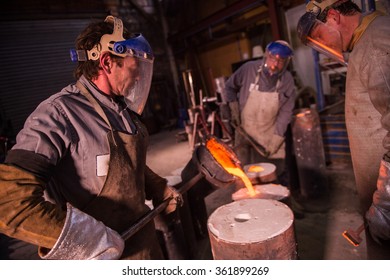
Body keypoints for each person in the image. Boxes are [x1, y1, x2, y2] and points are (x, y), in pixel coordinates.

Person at [0, 15, 182, 260]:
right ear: (107, 63)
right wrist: (83, 238)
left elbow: (127, 166)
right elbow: (10, 203)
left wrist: (158, 187)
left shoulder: (122, 111)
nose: (139, 76)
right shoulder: (59, 115)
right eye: (133, 66)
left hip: (145, 249)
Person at [297, 0, 390, 258]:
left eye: (318, 35)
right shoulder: (365, 43)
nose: (321, 46)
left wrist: (386, 203)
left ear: (335, 17)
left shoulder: (374, 44)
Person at [224, 40, 296, 186]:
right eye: (272, 58)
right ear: (265, 55)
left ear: (286, 62)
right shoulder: (248, 69)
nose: (274, 64)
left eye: (280, 61)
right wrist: (234, 109)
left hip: (267, 136)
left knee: (269, 177)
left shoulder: (287, 80)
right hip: (244, 133)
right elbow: (229, 87)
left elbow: (286, 112)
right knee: (243, 176)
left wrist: (276, 138)